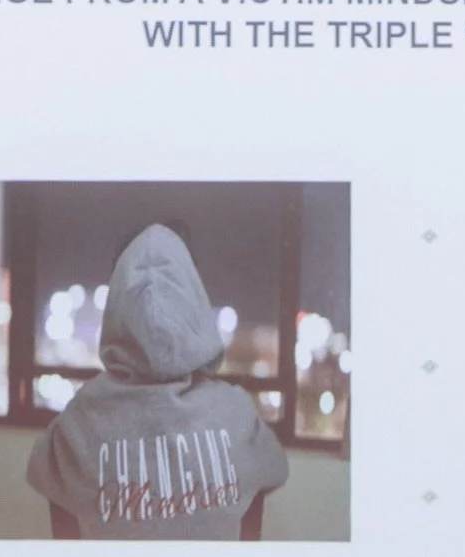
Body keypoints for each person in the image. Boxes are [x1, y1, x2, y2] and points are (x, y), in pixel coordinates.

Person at [27, 223, 288, 540]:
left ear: (117, 308)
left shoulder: (75, 423)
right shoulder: (240, 416)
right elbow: (250, 538)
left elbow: (68, 551)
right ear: (195, 305)